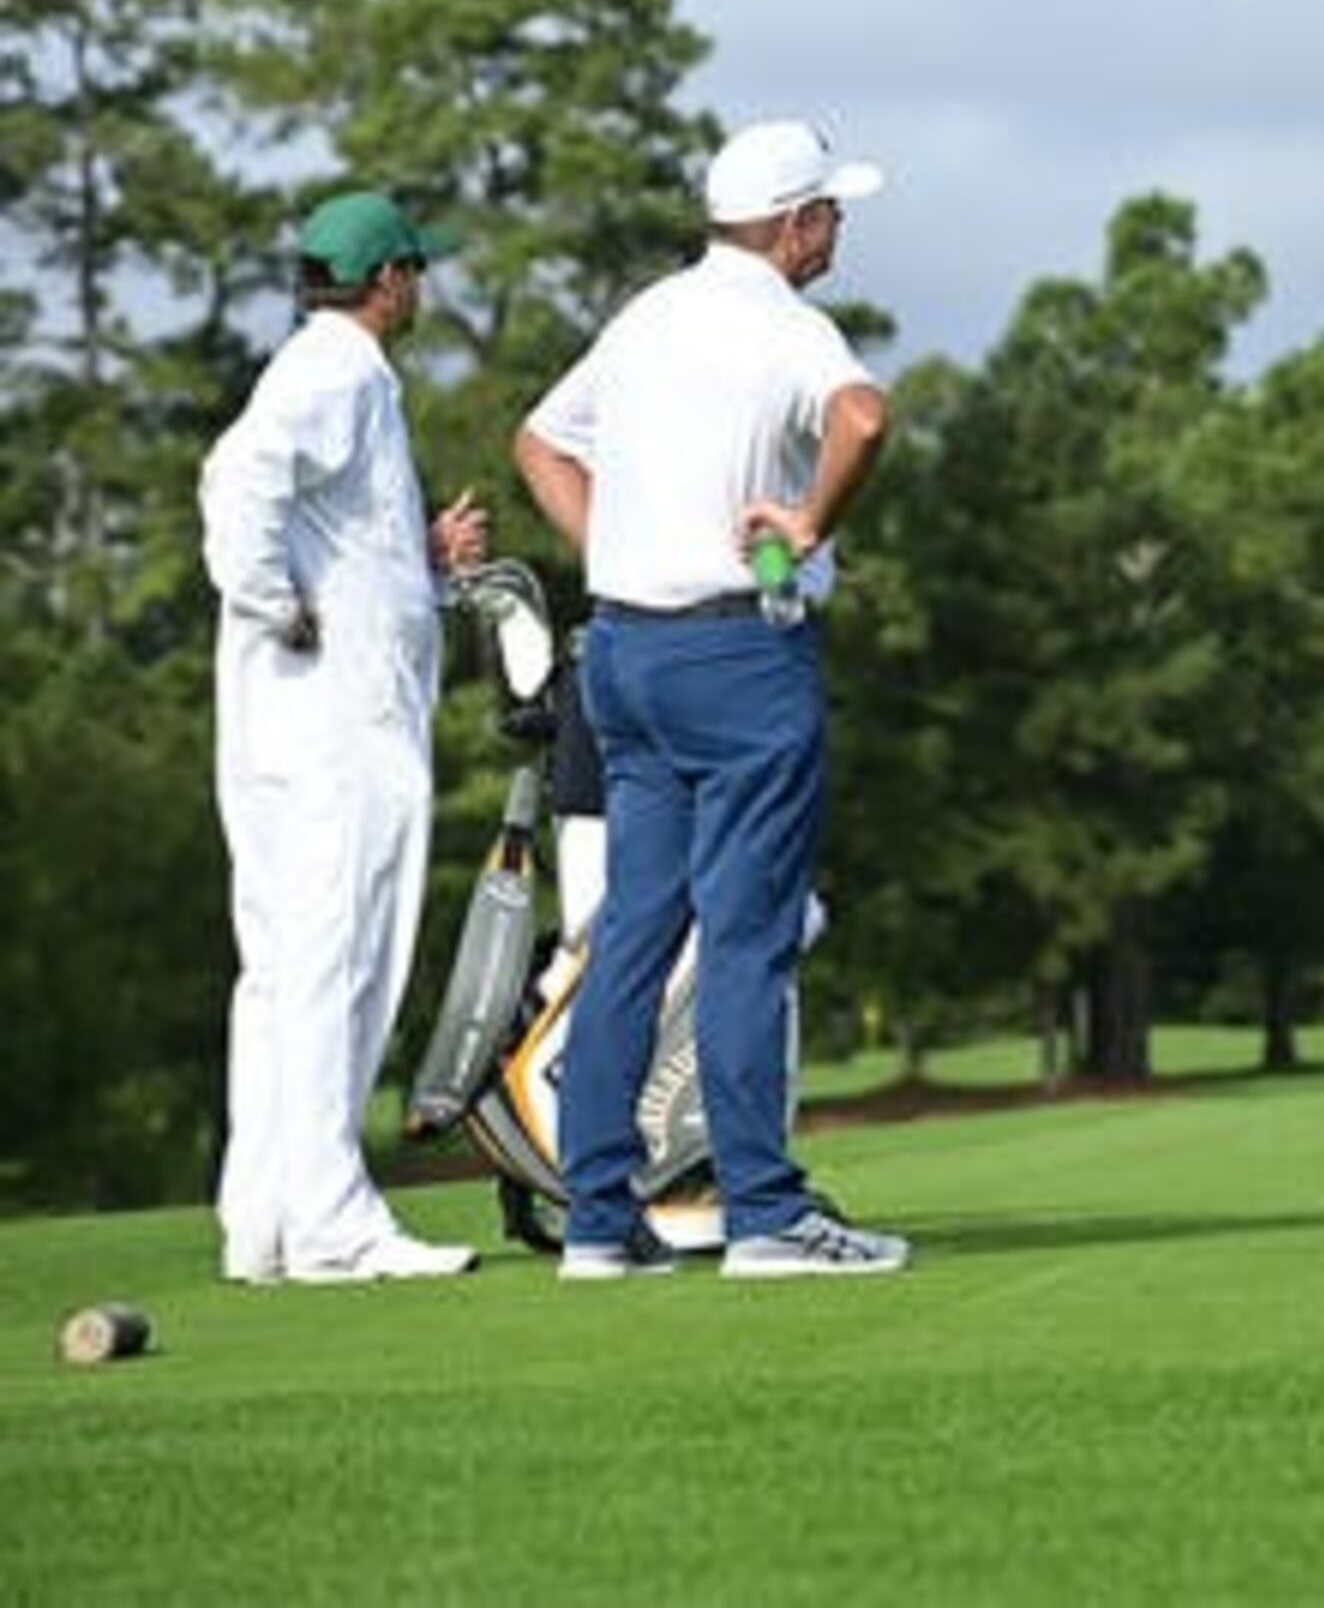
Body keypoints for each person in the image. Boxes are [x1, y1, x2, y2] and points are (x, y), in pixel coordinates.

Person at [512, 118, 907, 1281]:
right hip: (736, 656)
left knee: (635, 929)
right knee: (746, 931)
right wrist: (810, 522)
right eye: (830, 213)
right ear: (794, 224)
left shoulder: (647, 315)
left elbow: (539, 444)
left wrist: (618, 551)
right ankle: (767, 1215)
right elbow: (865, 418)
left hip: (623, 654)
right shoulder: (789, 325)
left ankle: (598, 1221)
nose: (838, 230)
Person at [199, 188, 496, 1284]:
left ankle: (268, 1220)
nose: (422, 288)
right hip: (334, 726)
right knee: (343, 959)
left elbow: (343, 543)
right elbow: (240, 480)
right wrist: (272, 600)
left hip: (294, 722)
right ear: (387, 281)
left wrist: (424, 560)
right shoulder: (341, 371)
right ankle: (332, 1222)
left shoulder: (328, 372)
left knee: (286, 970)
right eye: (416, 270)